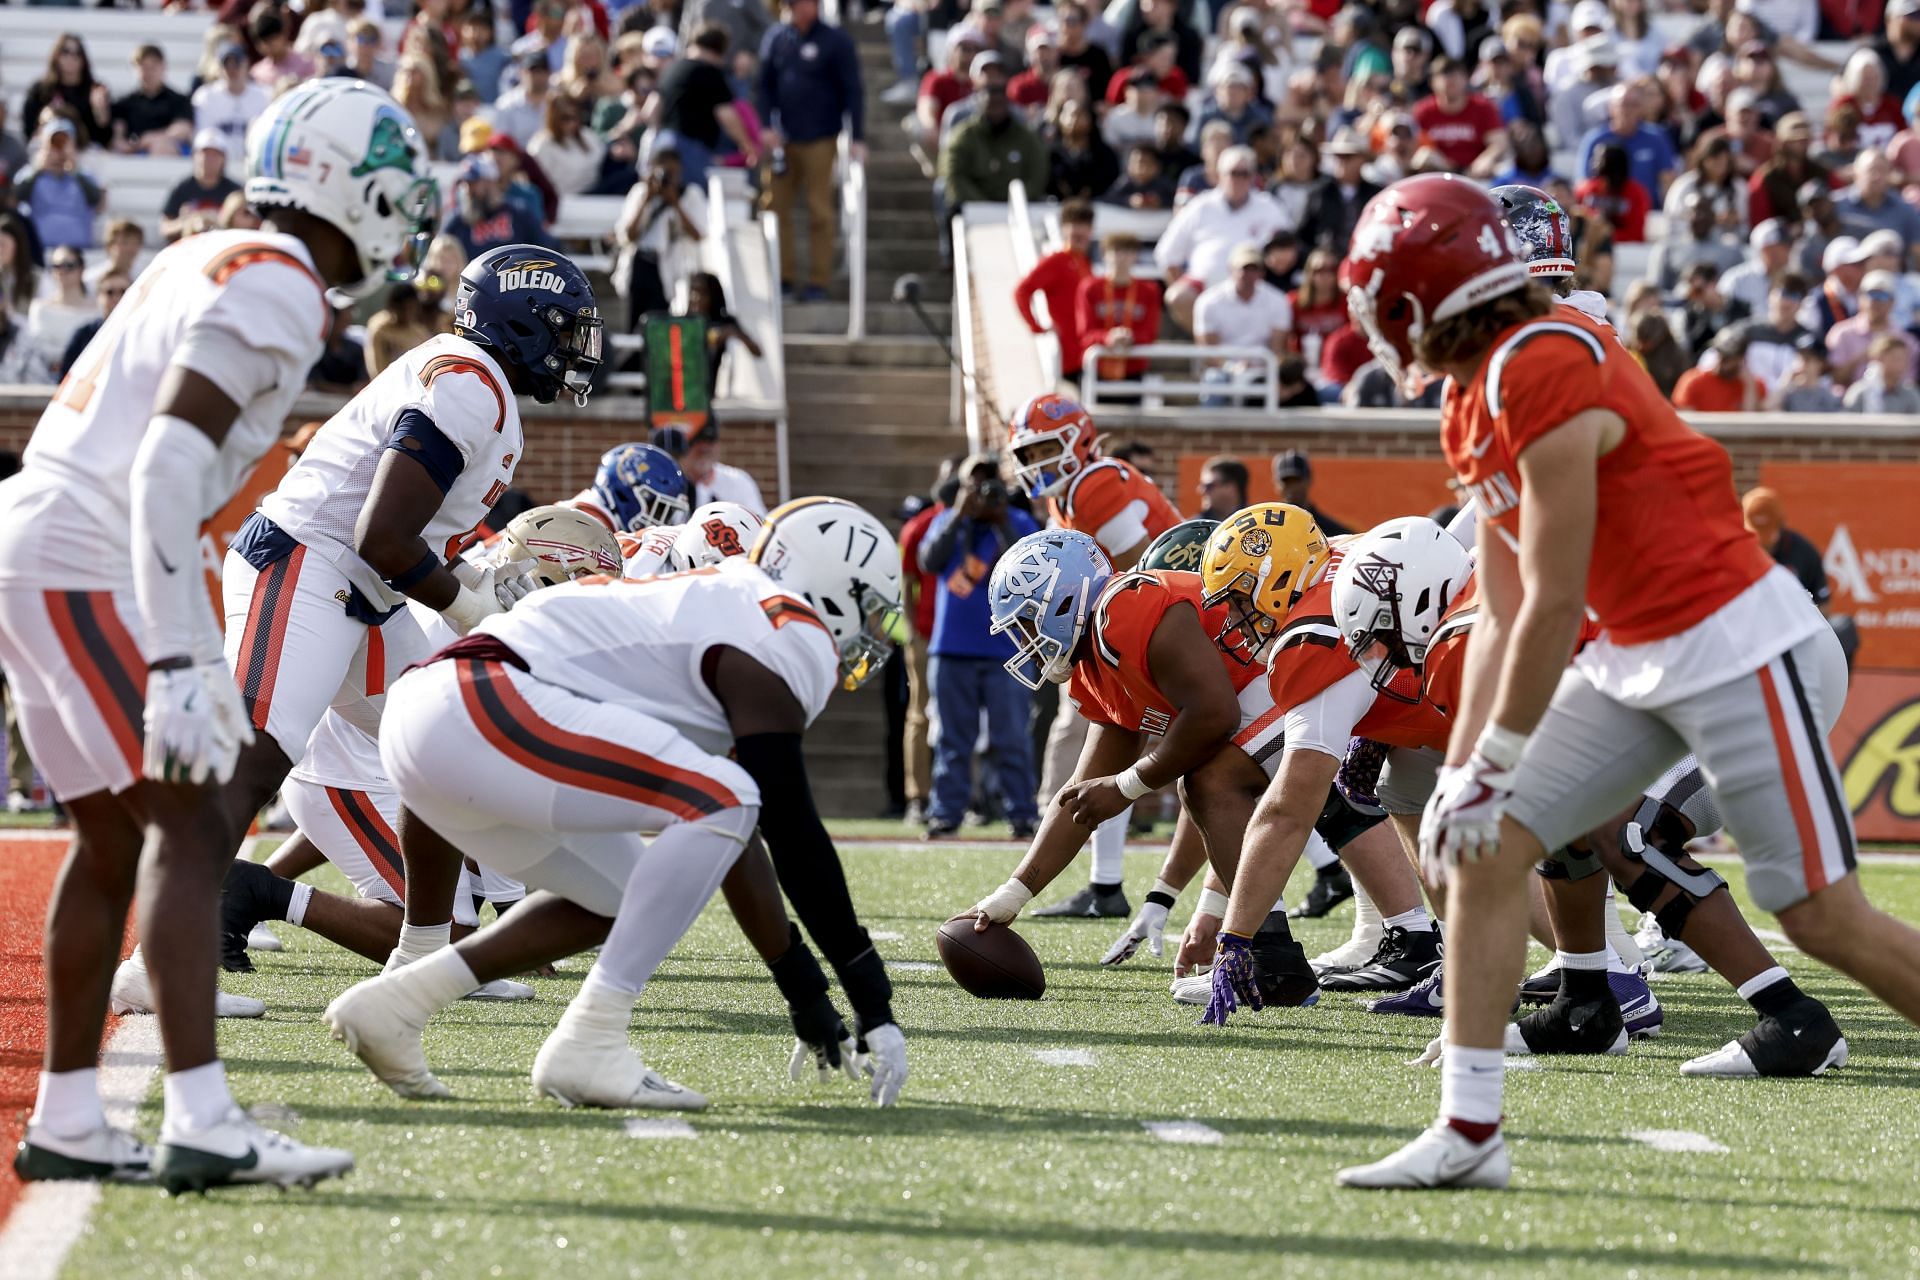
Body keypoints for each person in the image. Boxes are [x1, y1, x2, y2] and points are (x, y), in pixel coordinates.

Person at [1338, 173, 1920, 1191]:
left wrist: (1494, 756)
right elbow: (1506, 606)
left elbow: (1555, 596)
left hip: (1733, 641)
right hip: (1631, 656)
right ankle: (1470, 1128)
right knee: (1486, 841)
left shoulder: (1548, 358)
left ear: (1432, 290)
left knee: (1817, 912)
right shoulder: (1472, 395)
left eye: (1390, 303)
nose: (1384, 329)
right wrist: (1472, 770)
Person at [0, 79, 429, 1196]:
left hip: (52, 537)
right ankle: (202, 1117)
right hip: (90, 549)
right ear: (348, 183)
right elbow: (169, 464)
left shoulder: (219, 252)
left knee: (111, 840)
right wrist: (186, 653)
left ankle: (73, 1117)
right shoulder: (281, 282)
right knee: (192, 826)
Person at [322, 498, 909, 1110]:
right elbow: (785, 824)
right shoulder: (785, 627)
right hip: (479, 708)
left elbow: (738, 841)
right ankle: (591, 1041)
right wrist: (870, 994)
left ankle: (397, 1004)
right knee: (727, 799)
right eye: (870, 609)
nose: (873, 631)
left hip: (435, 721)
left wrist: (805, 989)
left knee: (627, 894)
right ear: (833, 586)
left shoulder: (719, 602)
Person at [209, 245, 602, 981]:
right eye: (561, 328)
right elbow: (381, 534)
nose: (572, 347)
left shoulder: (481, 386)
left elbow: (402, 538)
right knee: (254, 761)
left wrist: (475, 587)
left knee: (447, 742)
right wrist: (467, 603)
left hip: (362, 590)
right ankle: (162, 957)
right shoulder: (470, 384)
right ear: (519, 324)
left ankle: (425, 950)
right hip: (310, 562)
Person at [1005, 394, 1182, 915]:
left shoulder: (1096, 484)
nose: (1036, 464)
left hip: (1152, 630)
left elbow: (1136, 571)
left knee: (1224, 759)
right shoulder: (1069, 493)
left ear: (1078, 439)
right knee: (1111, 748)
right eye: (1028, 454)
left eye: (1045, 449)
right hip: (1118, 633)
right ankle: (1105, 885)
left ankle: (1327, 866)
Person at [917, 456, 1042, 840]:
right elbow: (928, 561)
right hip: (951, 647)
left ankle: (1021, 813)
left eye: (990, 486)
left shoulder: (1018, 523)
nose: (983, 494)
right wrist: (958, 516)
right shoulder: (946, 520)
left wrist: (1001, 519)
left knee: (1012, 737)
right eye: (975, 485)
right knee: (952, 740)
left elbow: (1032, 570)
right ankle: (945, 814)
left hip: (1006, 650)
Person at [757, 0, 865, 303]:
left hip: (821, 137)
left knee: (820, 210)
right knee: (775, 207)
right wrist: (765, 126)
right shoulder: (776, 38)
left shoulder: (836, 40)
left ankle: (819, 281)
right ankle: (783, 278)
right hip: (782, 140)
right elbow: (763, 85)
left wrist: (857, 136)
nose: (797, 7)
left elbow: (853, 89)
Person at [1155, 144, 1289, 331]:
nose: (1239, 179)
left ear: (1253, 177)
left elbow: (1287, 251)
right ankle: (1209, 347)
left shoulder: (1269, 207)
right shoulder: (1200, 206)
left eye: (1245, 174)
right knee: (1177, 296)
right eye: (1233, 173)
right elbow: (1167, 254)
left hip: (1255, 287)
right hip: (1204, 287)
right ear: (1219, 175)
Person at [648, 24, 758, 186]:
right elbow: (726, 115)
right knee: (697, 199)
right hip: (690, 150)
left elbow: (649, 111)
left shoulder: (672, 69)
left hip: (662, 145)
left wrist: (660, 136)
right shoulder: (711, 72)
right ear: (719, 50)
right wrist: (747, 145)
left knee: (663, 195)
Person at [1195, 243, 1293, 403]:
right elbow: (1208, 352)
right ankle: (1209, 428)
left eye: (1253, 269)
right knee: (1214, 380)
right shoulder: (1208, 302)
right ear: (1230, 269)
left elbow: (1277, 349)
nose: (1247, 274)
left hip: (1263, 370)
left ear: (1262, 272)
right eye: (1243, 268)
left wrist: (1259, 368)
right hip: (1222, 371)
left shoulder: (1278, 301)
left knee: (1275, 384)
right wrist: (1232, 368)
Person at [1013, 199, 1095, 382]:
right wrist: (1036, 326)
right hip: (1067, 357)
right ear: (1064, 229)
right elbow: (1022, 291)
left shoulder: (1086, 263)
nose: (1078, 231)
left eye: (1083, 225)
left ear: (1091, 230)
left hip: (1087, 352)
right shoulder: (1057, 261)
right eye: (1073, 225)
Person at [1074, 231, 1163, 392]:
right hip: (1097, 368)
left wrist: (1130, 337)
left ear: (1135, 256)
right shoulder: (1090, 288)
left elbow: (1150, 333)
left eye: (1127, 252)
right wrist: (1107, 337)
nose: (1121, 258)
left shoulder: (1149, 290)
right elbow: (1085, 333)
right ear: (1104, 255)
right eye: (1115, 251)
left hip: (1133, 368)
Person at [15, 118, 103, 253]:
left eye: (64, 143)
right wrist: (38, 169)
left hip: (78, 253)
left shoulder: (85, 175)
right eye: (55, 143)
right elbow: (18, 196)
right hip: (40, 251)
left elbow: (95, 198)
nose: (59, 150)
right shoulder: (30, 174)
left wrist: (74, 170)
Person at [443, 153, 554, 258]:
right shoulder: (458, 221)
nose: (467, 190)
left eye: (473, 183)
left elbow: (546, 250)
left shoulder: (520, 213)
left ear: (491, 182)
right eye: (465, 184)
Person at [1296, 128, 1383, 256]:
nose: (1341, 161)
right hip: (1327, 266)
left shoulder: (1376, 194)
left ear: (1362, 159)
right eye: (1337, 156)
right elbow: (1303, 236)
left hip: (1364, 259)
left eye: (1348, 156)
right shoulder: (1318, 193)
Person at [1741, 487, 1829, 608]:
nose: (1762, 543)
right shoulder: (1733, 555)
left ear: (1780, 525)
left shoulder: (1804, 552)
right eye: (1756, 534)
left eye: (1768, 534)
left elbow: (1823, 602)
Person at [22, 32, 112, 149]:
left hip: (85, 153)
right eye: (65, 52)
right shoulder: (41, 90)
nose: (71, 58)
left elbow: (105, 139)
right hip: (49, 151)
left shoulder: (95, 90)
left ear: (83, 59)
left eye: (77, 53)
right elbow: (29, 131)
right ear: (56, 55)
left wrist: (100, 111)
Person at [683, 270, 762, 398]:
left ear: (713, 296)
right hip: (682, 394)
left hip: (708, 395)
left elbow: (758, 352)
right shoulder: (684, 322)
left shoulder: (723, 321)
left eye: (702, 293)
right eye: (693, 291)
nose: (696, 297)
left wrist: (734, 333)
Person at [656, 421, 768, 513]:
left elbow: (759, 528)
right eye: (697, 441)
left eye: (710, 440)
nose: (705, 448)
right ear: (682, 449)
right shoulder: (668, 484)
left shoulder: (738, 481)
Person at [192, 41, 272, 158]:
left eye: (236, 63)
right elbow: (204, 137)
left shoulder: (264, 95)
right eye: (227, 64)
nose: (232, 69)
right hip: (218, 166)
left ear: (246, 64)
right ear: (219, 67)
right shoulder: (205, 96)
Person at [113, 44, 195, 157]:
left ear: (163, 67)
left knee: (162, 146)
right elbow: (118, 134)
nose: (148, 73)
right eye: (143, 67)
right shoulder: (125, 103)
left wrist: (152, 139)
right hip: (136, 154)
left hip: (167, 150)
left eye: (153, 67)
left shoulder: (179, 100)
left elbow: (183, 129)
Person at [163, 131, 243, 242]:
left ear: (224, 158)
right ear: (194, 156)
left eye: (215, 154)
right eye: (204, 153)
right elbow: (165, 228)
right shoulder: (181, 187)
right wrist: (185, 223)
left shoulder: (235, 191)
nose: (209, 159)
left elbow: (246, 226)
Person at [25, 247, 95, 372]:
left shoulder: (98, 309)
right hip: (49, 376)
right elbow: (38, 346)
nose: (62, 271)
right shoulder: (39, 307)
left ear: (81, 269)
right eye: (56, 266)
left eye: (69, 265)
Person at [57, 270, 127, 382]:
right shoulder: (83, 334)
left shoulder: (142, 335)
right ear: (99, 297)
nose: (116, 298)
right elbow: (66, 378)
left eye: (123, 292)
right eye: (109, 292)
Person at [363, 282, 440, 377]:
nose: (408, 313)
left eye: (411, 308)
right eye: (404, 308)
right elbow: (376, 368)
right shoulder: (381, 328)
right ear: (393, 306)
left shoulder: (417, 330)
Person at [1270, 449, 1349, 536]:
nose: (1292, 487)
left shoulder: (1334, 532)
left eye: (1297, 480)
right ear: (1276, 484)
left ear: (1309, 480)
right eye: (1286, 481)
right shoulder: (1269, 529)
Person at [1843, 331, 1920, 411]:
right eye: (1896, 359)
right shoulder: (1859, 393)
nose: (1903, 364)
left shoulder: (1911, 394)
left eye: (1905, 359)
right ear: (1877, 359)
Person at [1196, 456, 1249, 520]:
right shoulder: (1193, 527)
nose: (1202, 491)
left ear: (1230, 487)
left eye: (1209, 486)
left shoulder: (1259, 524)